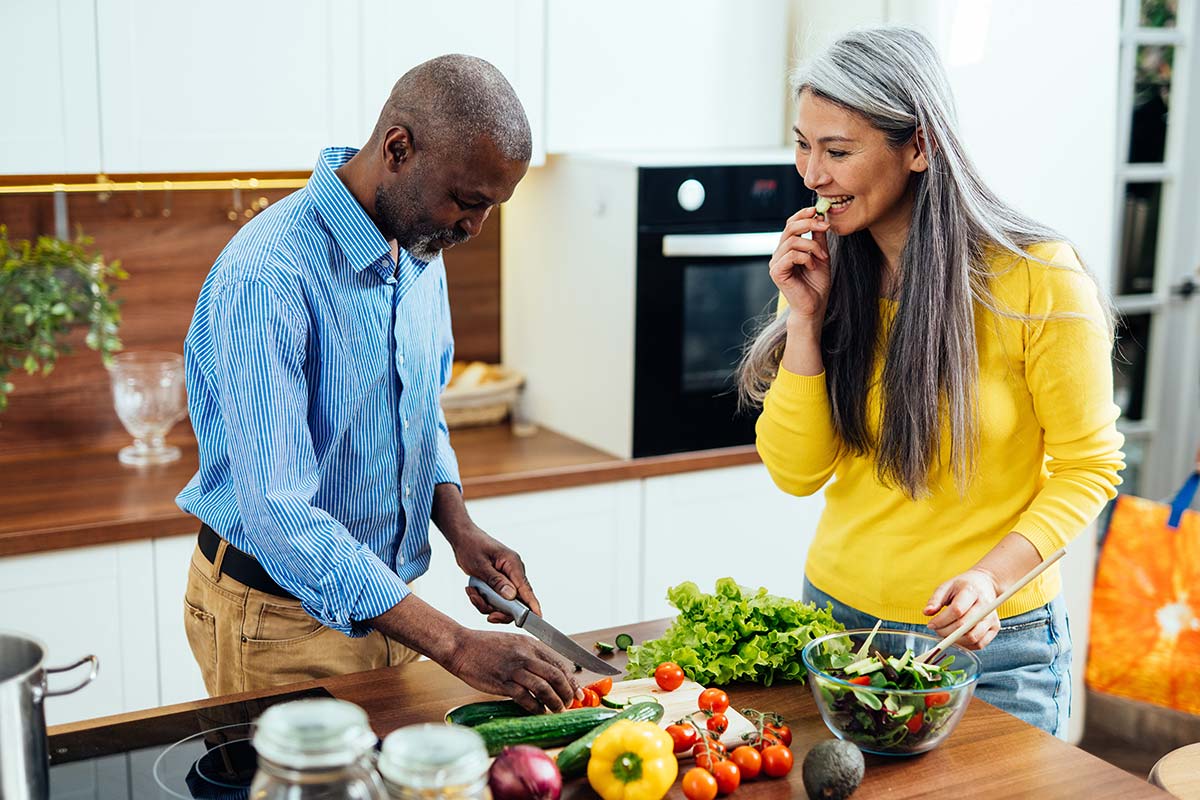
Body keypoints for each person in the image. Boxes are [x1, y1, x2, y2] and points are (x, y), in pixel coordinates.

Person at [738, 28, 1124, 738]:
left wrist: (990, 578)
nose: (812, 174)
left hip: (991, 645)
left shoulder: (1037, 277)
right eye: (803, 144)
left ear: (919, 146)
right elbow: (795, 473)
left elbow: (1089, 467)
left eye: (838, 151)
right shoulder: (831, 269)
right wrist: (803, 322)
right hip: (835, 629)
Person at [177, 54, 581, 713]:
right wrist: (453, 642)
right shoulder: (266, 273)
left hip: (395, 614)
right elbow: (278, 511)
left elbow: (417, 412)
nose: (475, 228)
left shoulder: (421, 243)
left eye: (492, 207)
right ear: (399, 148)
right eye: (469, 201)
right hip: (277, 625)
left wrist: (459, 527)